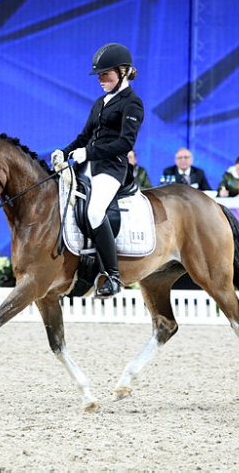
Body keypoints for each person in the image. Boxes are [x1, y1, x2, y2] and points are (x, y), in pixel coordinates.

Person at [51, 43, 143, 298]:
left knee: (94, 212)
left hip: (112, 168)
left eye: (106, 74)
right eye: (100, 75)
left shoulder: (132, 104)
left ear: (122, 72)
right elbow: (84, 136)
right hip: (87, 166)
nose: (101, 79)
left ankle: (112, 276)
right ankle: (82, 267)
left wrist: (89, 153)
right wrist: (65, 151)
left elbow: (126, 143)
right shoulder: (101, 102)